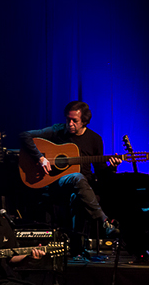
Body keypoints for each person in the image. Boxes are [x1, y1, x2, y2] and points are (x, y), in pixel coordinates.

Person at [19, 101, 121, 256]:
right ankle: (105, 222)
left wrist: (113, 167)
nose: (70, 124)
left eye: (75, 121)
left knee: (78, 195)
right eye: (68, 120)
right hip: (56, 183)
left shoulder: (95, 139)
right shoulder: (58, 130)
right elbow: (24, 135)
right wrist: (40, 158)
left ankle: (76, 250)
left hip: (82, 187)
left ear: (85, 121)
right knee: (77, 177)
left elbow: (101, 173)